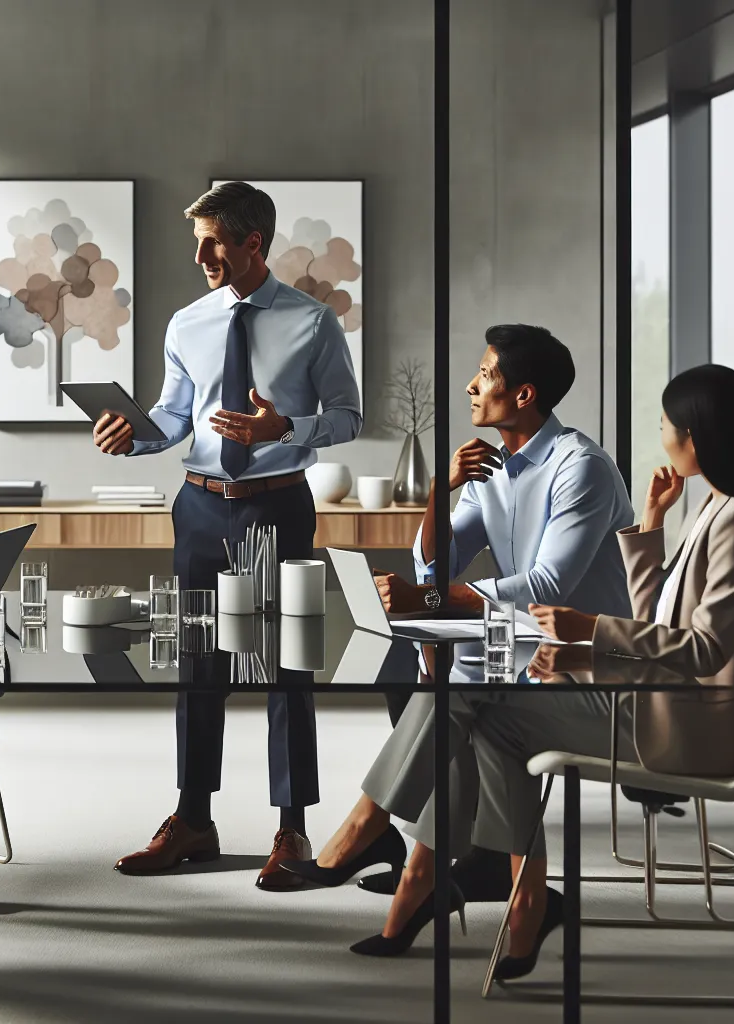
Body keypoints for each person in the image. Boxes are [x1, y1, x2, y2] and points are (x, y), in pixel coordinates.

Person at [281, 324, 633, 954]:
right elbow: (434, 565)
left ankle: (378, 837)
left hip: (587, 667)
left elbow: (545, 585)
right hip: (522, 652)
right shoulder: (492, 467)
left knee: (458, 695)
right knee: (450, 683)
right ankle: (430, 869)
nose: (471, 385)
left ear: (523, 395)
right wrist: (439, 490)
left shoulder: (581, 469)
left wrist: (429, 602)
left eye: (485, 374)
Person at [91, 181, 362, 889]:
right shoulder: (187, 324)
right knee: (198, 667)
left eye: (212, 243)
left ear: (253, 243)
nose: (200, 257)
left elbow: (348, 416)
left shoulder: (313, 322)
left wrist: (286, 427)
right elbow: (174, 416)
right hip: (201, 509)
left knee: (288, 668)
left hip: (278, 506)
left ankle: (292, 828)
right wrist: (133, 434)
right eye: (198, 243)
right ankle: (192, 819)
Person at [485, 361, 734, 976]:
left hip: (683, 727)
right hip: (659, 701)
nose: (663, 436)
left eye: (667, 425)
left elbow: (702, 651)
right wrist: (650, 523)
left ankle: (500, 883)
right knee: (475, 704)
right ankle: (496, 880)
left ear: (697, 437)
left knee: (490, 716)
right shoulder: (714, 507)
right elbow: (656, 622)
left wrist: (589, 628)